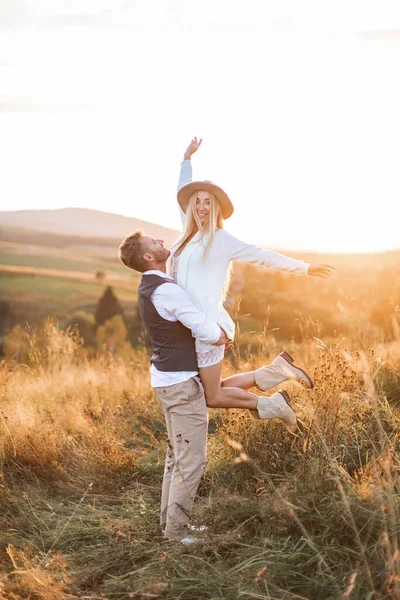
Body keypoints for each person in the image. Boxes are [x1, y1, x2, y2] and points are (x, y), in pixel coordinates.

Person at [118, 231, 299, 541]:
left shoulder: (150, 286)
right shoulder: (166, 290)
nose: (161, 241)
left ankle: (169, 524)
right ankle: (176, 533)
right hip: (179, 384)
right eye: (154, 243)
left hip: (167, 381)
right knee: (190, 461)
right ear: (148, 257)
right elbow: (200, 325)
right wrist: (220, 335)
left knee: (176, 457)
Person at [170, 137, 335, 414]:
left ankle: (275, 406)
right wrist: (186, 159)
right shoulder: (186, 236)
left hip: (207, 327)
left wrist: (305, 268)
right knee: (213, 388)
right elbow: (180, 190)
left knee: (211, 395)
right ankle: (274, 372)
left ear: (216, 208)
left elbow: (264, 256)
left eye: (207, 203)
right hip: (188, 326)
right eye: (197, 202)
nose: (201, 207)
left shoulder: (221, 240)